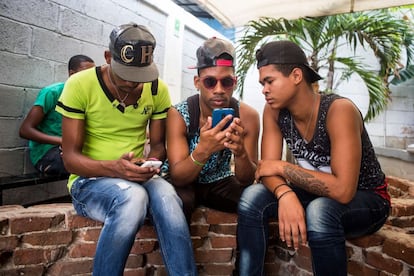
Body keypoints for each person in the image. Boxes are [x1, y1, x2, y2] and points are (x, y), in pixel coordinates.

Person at [237, 40, 391, 276]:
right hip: (317, 193)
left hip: (368, 199)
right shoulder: (274, 111)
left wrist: (283, 167)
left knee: (320, 211)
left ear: (296, 75)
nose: (264, 89)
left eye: (270, 81)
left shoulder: (339, 110)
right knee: (252, 197)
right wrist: (284, 193)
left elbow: (343, 191)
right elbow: (265, 170)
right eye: (262, 83)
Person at [55, 23, 197, 276]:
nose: (133, 83)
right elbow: (71, 159)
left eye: (140, 76)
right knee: (132, 197)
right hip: (89, 181)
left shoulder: (156, 89)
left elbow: (157, 146)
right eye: (125, 75)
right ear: (108, 58)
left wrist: (149, 164)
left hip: (134, 176)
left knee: (167, 196)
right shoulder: (80, 84)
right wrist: (114, 168)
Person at [162, 37, 260, 222]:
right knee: (180, 202)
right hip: (184, 180)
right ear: (197, 82)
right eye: (210, 82)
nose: (219, 89)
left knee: (255, 202)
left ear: (235, 82)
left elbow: (247, 179)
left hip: (219, 180)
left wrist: (240, 153)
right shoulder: (180, 114)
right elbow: (179, 177)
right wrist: (204, 149)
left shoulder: (248, 116)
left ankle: (243, 251)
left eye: (226, 82)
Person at [19, 55, 95, 176]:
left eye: (93, 76)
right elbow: (25, 130)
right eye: (86, 75)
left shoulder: (88, 98)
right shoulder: (52, 92)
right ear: (72, 74)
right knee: (88, 168)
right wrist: (63, 141)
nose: (91, 80)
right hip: (46, 153)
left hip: (72, 150)